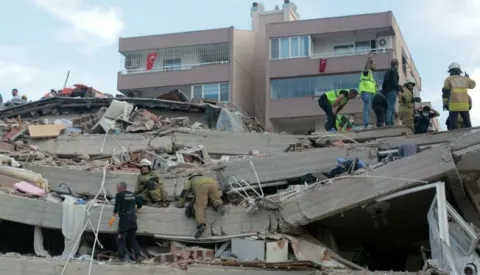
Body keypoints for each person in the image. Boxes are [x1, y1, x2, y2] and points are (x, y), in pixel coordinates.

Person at [175, 173, 225, 238]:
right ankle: (218, 204)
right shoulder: (206, 177)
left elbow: (185, 191)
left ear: (192, 176)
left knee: (200, 207)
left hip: (201, 187)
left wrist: (180, 203)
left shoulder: (190, 180)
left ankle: (201, 226)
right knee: (215, 199)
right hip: (214, 184)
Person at [108, 182, 143, 263]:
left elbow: (116, 207)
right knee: (132, 239)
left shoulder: (119, 195)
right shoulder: (132, 194)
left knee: (121, 238)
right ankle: (138, 256)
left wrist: (112, 218)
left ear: (122, 188)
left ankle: (122, 257)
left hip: (124, 219)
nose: (117, 189)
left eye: (118, 187)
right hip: (133, 218)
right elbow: (140, 203)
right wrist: (135, 209)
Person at [442, 62, 476, 130]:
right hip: (464, 106)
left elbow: (445, 93)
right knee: (467, 124)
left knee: (454, 126)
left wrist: (445, 103)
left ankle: (456, 139)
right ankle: (471, 137)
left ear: (451, 71)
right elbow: (473, 85)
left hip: (453, 106)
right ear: (459, 71)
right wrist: (468, 78)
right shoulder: (465, 79)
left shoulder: (448, 79)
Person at [359, 52, 377, 128]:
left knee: (368, 109)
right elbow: (366, 67)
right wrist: (369, 59)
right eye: (374, 64)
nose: (375, 66)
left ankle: (366, 123)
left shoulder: (370, 74)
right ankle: (366, 124)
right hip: (366, 93)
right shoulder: (366, 72)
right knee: (367, 108)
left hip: (369, 94)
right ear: (370, 65)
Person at [382, 59, 400, 126]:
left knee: (390, 107)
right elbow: (395, 81)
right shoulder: (394, 71)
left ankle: (391, 121)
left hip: (386, 92)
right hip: (392, 90)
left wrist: (384, 91)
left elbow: (384, 83)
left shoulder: (387, 72)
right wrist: (398, 90)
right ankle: (389, 121)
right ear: (397, 64)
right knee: (391, 107)